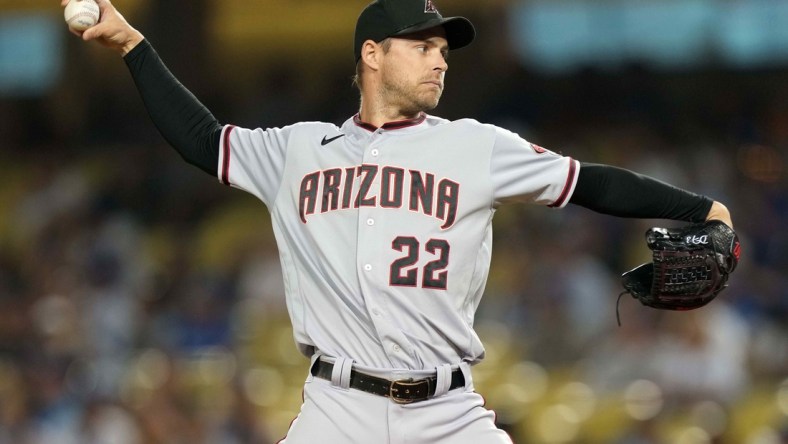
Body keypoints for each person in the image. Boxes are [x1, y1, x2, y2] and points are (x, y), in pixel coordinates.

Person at [61, 0, 734, 442]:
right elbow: (202, 140)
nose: (440, 58)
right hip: (336, 408)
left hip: (448, 411)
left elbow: (594, 182)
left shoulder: (477, 145)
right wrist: (131, 43)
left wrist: (702, 209)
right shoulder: (295, 150)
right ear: (372, 54)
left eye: (444, 49)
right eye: (422, 45)